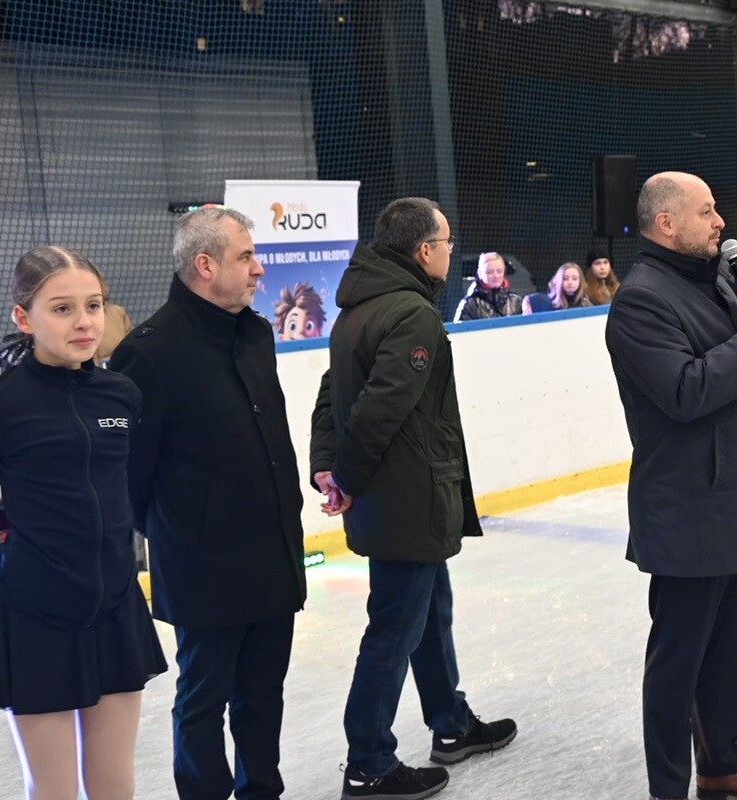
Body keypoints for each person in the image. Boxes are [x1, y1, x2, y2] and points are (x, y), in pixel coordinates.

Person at [310, 197, 516, 800]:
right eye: (448, 242)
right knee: (395, 628)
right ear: (425, 250)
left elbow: (332, 395)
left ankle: (450, 723)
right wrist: (343, 475)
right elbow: (378, 410)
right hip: (408, 496)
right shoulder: (411, 316)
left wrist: (328, 466)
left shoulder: (358, 309)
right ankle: (368, 758)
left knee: (428, 615)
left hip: (393, 497)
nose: (453, 253)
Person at [607, 171, 737, 800]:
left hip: (735, 497)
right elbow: (686, 392)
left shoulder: (712, 278)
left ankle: (721, 763)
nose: (721, 222)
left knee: (724, 654)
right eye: (707, 211)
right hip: (688, 510)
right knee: (677, 665)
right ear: (667, 223)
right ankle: (670, 788)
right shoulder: (640, 300)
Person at [110, 207, 307, 799]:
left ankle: (260, 792)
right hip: (204, 568)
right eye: (246, 256)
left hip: (272, 552)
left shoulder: (254, 332)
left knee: (263, 694)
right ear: (205, 265)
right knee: (202, 702)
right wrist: (188, 533)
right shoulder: (149, 353)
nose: (258, 268)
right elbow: (131, 480)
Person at [0, 246, 167, 800]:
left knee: (115, 785)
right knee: (55, 790)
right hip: (36, 611)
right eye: (62, 308)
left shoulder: (121, 395)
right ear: (24, 317)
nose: (84, 321)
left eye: (93, 305)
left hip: (114, 603)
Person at [453, 251, 523, 320]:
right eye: (490, 272)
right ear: (480, 273)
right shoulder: (469, 304)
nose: (495, 275)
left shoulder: (516, 301)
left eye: (499, 271)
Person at [522, 261, 594, 314]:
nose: (570, 282)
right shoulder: (546, 301)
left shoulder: (586, 304)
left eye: (574, 278)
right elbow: (528, 299)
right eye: (565, 278)